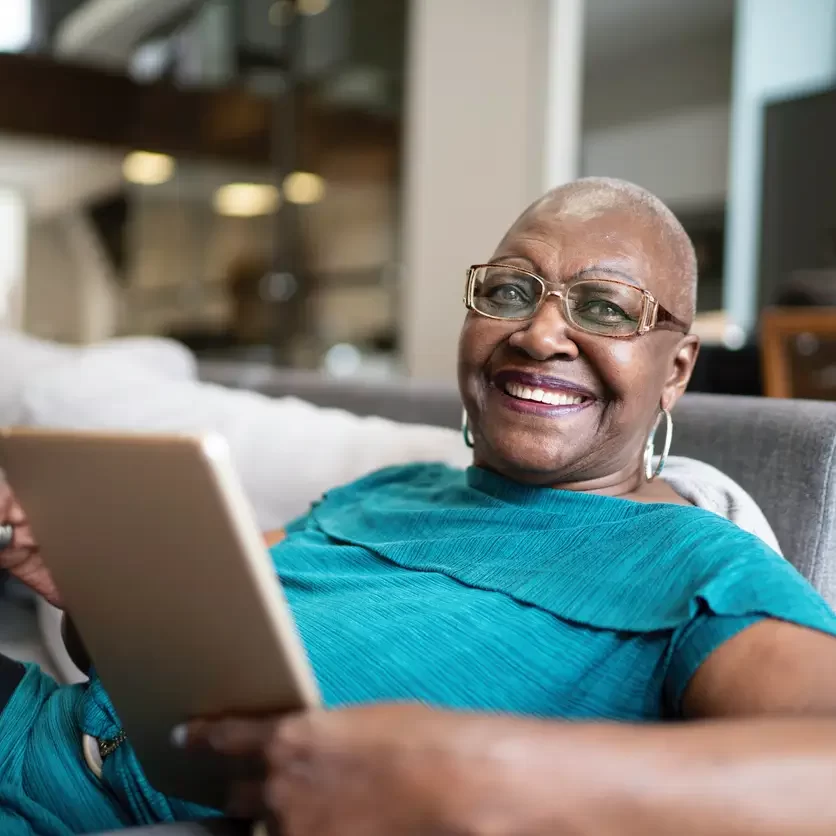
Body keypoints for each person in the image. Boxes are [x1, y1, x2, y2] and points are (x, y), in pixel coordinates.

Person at [3, 177, 836, 836]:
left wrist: (481, 774)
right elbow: (169, 656)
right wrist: (92, 581)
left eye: (605, 308)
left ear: (678, 369)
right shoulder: (396, 491)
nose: (541, 334)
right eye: (511, 292)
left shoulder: (699, 568)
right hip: (28, 723)